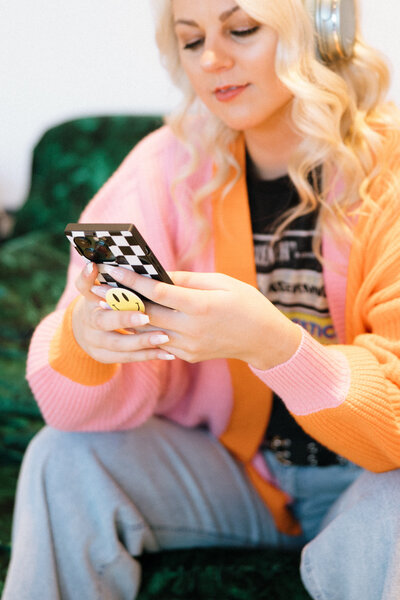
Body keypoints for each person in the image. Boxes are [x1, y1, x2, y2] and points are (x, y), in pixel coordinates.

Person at [3, 0, 400, 598]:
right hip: (237, 475)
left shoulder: (390, 169)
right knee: (63, 457)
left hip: (374, 476)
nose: (212, 59)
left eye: (241, 30)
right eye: (191, 41)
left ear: (323, 32)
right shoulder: (165, 166)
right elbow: (69, 408)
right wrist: (88, 340)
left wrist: (274, 345)